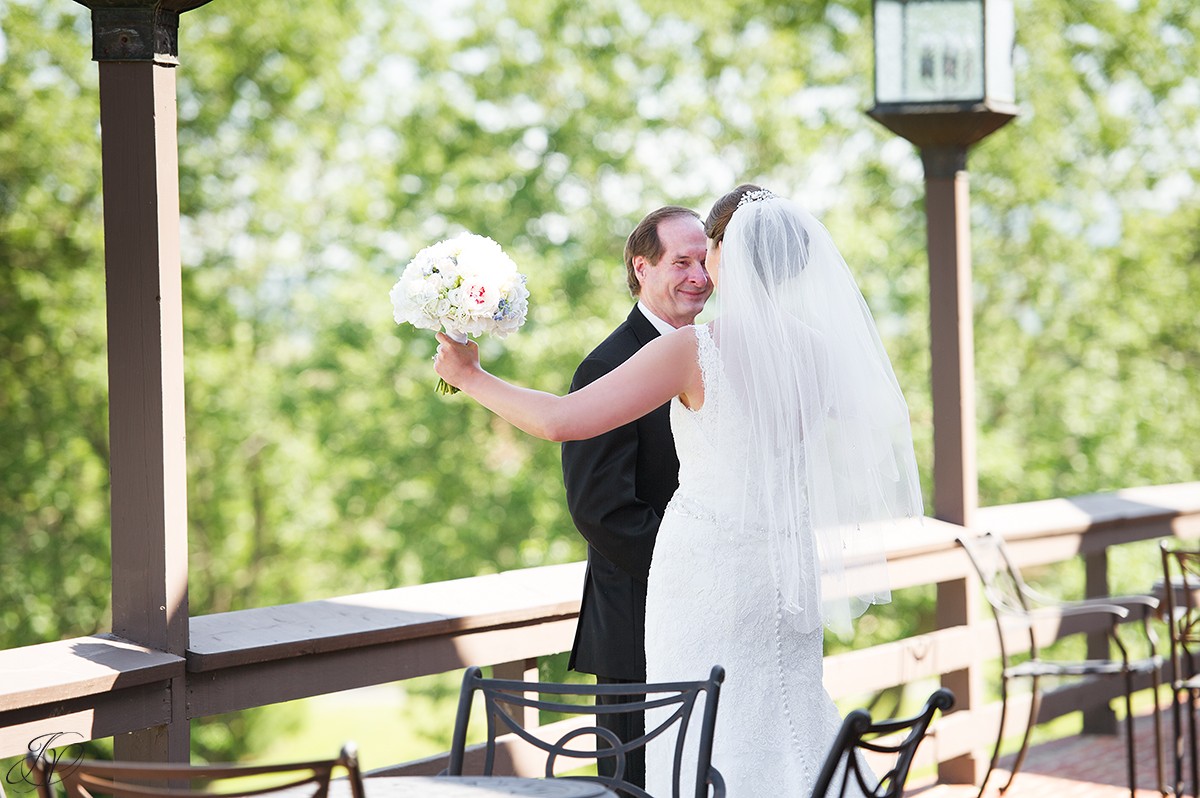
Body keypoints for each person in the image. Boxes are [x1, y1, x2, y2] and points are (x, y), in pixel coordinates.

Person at [432, 185, 923, 796]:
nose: (702, 267)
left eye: (708, 250)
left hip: (703, 578)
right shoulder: (818, 353)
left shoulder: (692, 349)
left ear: (725, 253)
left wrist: (470, 376)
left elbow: (562, 420)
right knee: (784, 715)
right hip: (784, 570)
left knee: (699, 734)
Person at [560, 205, 711, 789]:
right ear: (641, 266)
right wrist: (694, 571)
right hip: (637, 622)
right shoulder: (606, 365)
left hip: (713, 611)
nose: (699, 275)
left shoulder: (715, 354)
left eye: (705, 260)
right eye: (682, 262)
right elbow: (601, 510)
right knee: (639, 783)